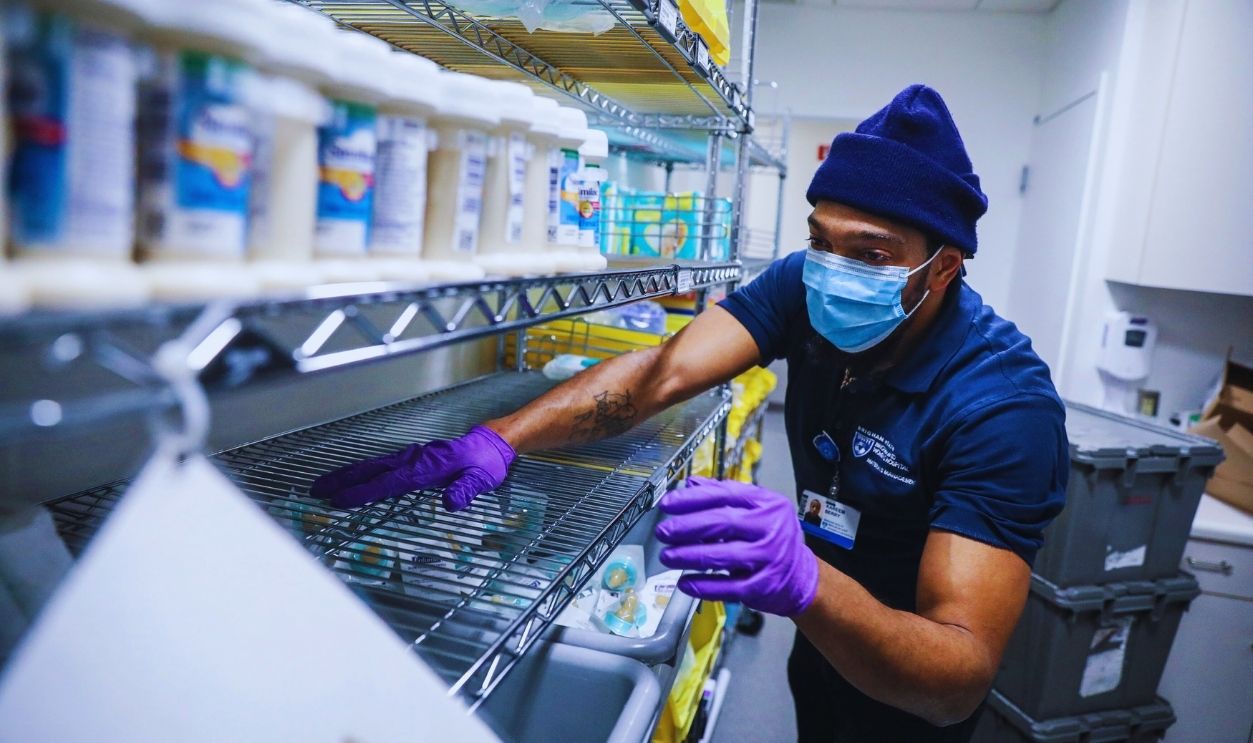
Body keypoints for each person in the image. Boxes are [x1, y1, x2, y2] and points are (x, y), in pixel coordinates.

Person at [311, 84, 1069, 743]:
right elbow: (659, 373)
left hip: (906, 678)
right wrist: (498, 437)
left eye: (869, 255)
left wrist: (805, 578)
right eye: (819, 242)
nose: (833, 271)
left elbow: (956, 674)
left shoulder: (1001, 407)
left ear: (942, 266)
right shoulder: (801, 286)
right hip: (819, 638)